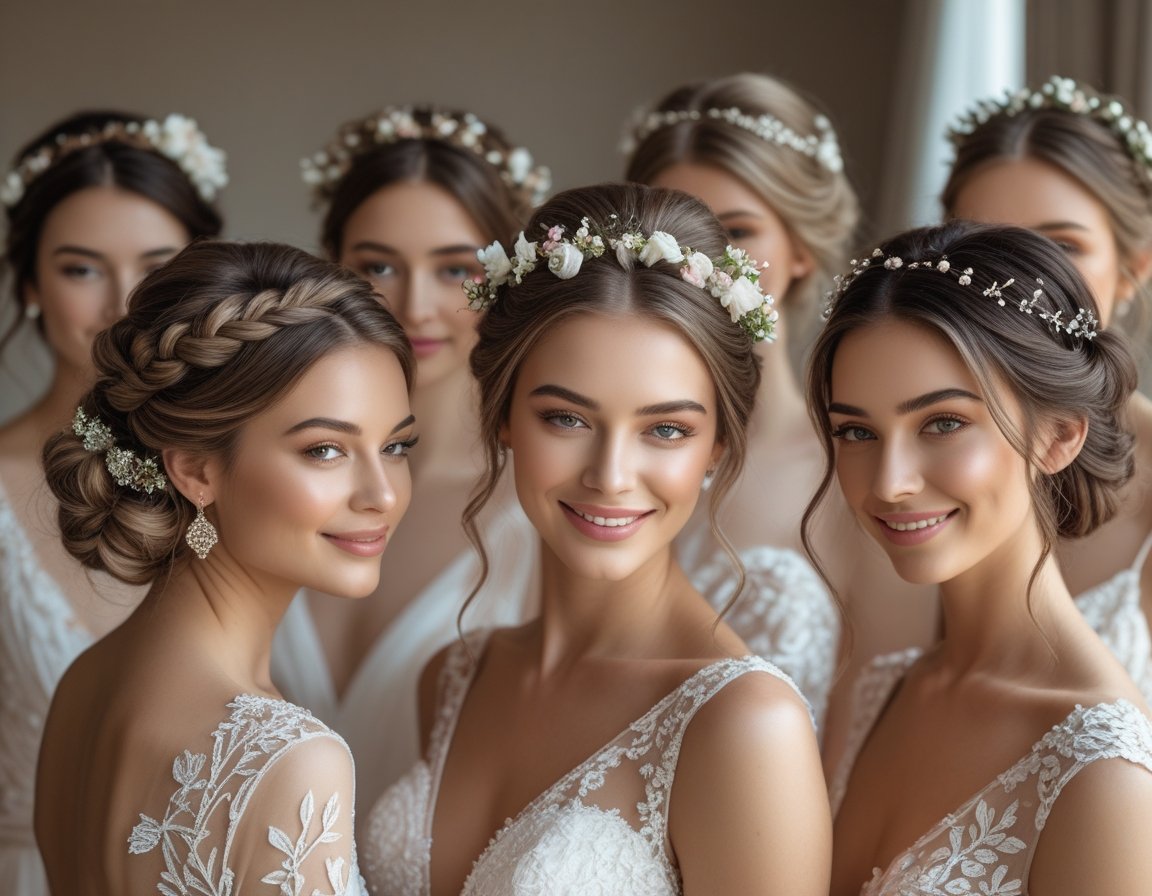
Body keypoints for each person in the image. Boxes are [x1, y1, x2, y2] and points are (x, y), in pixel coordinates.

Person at [360, 183, 829, 895]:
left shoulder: (744, 726)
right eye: (566, 419)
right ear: (503, 417)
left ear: (717, 449)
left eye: (665, 429)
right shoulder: (455, 677)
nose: (611, 476)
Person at [34, 241, 415, 894]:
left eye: (397, 445)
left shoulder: (84, 684)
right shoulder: (294, 762)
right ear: (196, 469)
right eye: (325, 450)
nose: (381, 494)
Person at [811, 221, 1152, 895]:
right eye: (857, 430)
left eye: (942, 423)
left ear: (1056, 436)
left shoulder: (1103, 772)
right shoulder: (881, 690)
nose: (888, 481)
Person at [625, 72, 932, 746]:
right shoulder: (578, 453)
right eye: (677, 235)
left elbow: (880, 725)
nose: (703, 267)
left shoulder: (859, 470)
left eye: (737, 231)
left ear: (799, 248)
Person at [277, 105, 548, 809]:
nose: (413, 304)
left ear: (503, 278)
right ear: (331, 265)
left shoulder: (540, 507)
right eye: (378, 265)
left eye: (455, 269)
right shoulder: (268, 472)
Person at [0, 110, 225, 894]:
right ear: (29, 283)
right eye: (80, 268)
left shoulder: (238, 474)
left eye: (156, 264)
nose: (123, 303)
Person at [942, 76, 1152, 699]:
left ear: (1133, 269)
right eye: (987, 245)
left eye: (1062, 244)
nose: (1022, 281)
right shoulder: (902, 461)